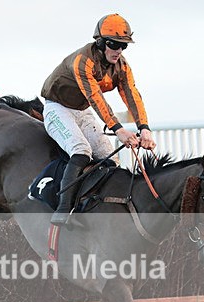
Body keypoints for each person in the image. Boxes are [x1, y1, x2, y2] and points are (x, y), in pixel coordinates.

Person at [41, 13, 157, 225]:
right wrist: (119, 129)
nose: (119, 51)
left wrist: (145, 128)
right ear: (101, 42)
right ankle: (63, 208)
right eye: (114, 44)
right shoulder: (83, 61)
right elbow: (95, 97)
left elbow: (131, 94)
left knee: (109, 158)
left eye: (124, 46)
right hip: (58, 108)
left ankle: (102, 207)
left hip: (82, 111)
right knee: (81, 150)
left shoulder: (122, 66)